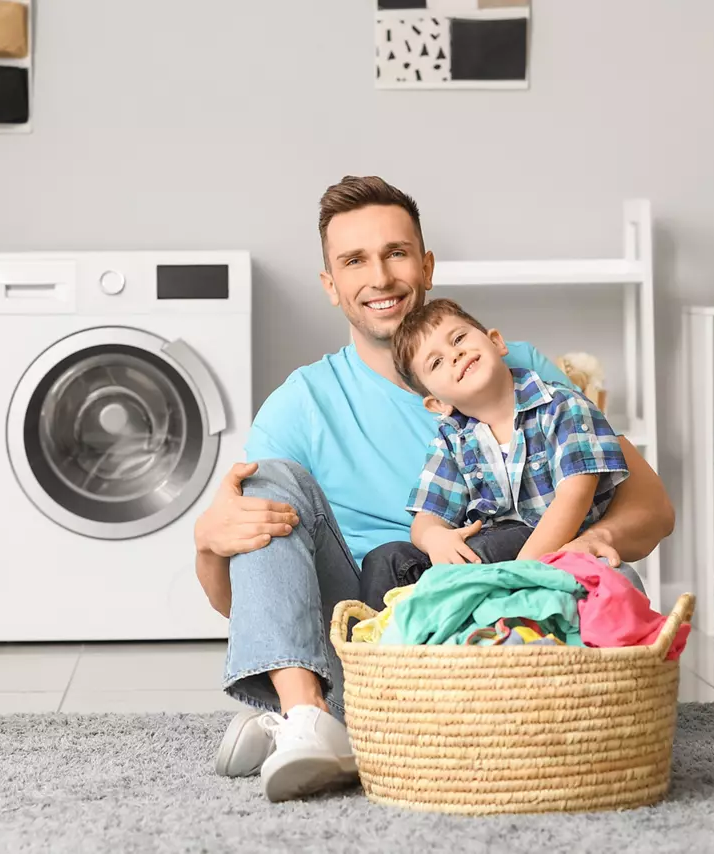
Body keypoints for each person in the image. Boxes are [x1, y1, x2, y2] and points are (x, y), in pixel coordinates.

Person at [193, 176, 674, 803]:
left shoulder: (516, 368)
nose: (380, 277)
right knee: (271, 485)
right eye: (354, 261)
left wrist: (589, 542)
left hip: (510, 601)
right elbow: (255, 602)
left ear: (426, 264)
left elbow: (652, 507)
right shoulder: (299, 405)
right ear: (330, 284)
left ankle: (523, 729)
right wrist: (208, 546)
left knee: (618, 584)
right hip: (370, 629)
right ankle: (308, 713)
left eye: (396, 253)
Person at [356, 297, 634, 613]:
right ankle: (376, 652)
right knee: (386, 559)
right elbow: (427, 517)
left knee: (485, 548)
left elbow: (575, 497)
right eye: (436, 362)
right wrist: (436, 539)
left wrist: (518, 575)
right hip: (483, 553)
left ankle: (450, 630)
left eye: (458, 338)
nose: (455, 354)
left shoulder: (562, 406)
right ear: (437, 404)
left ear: (496, 342)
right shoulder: (453, 438)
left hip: (549, 545)